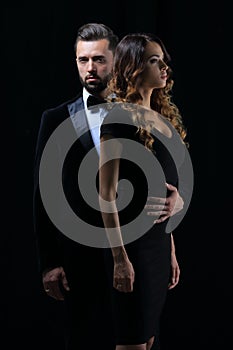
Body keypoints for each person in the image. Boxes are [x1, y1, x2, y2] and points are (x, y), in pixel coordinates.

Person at [33, 23, 183, 350]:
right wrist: (50, 261)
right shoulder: (55, 118)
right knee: (90, 339)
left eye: (99, 59)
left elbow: (162, 183)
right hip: (82, 257)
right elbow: (44, 194)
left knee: (142, 338)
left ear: (117, 60)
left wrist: (175, 210)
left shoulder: (149, 113)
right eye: (83, 60)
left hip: (143, 248)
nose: (91, 68)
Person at [99, 33, 190, 350]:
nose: (164, 66)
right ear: (133, 68)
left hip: (158, 248)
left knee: (149, 340)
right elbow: (106, 195)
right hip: (132, 248)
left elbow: (166, 191)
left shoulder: (162, 119)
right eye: (154, 60)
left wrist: (172, 248)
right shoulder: (118, 120)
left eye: (163, 58)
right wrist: (119, 259)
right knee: (133, 342)